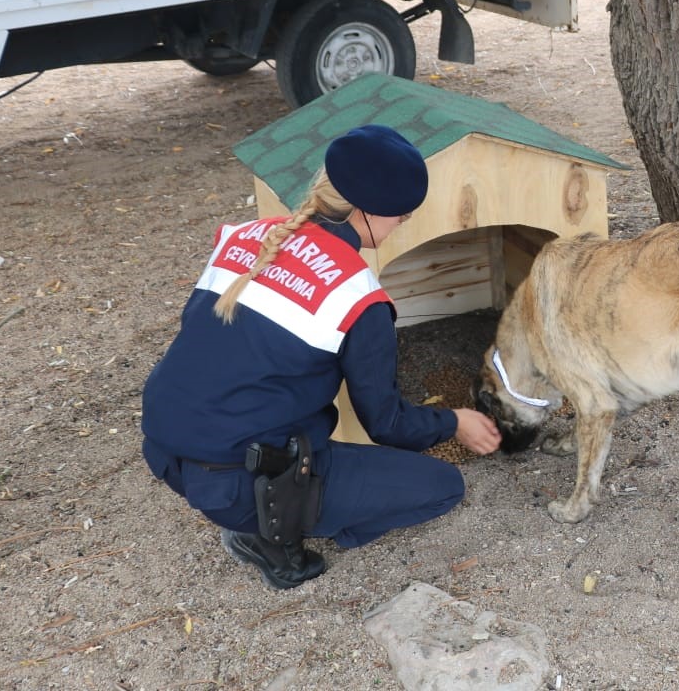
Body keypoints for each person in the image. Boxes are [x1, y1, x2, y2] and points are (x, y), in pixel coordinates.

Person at [140, 124, 501, 589]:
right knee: (442, 488)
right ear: (367, 210)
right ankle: (272, 534)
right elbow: (386, 424)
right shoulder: (359, 298)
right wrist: (454, 421)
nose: (400, 227)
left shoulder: (243, 237)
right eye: (401, 217)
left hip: (165, 448)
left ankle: (279, 507)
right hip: (240, 478)